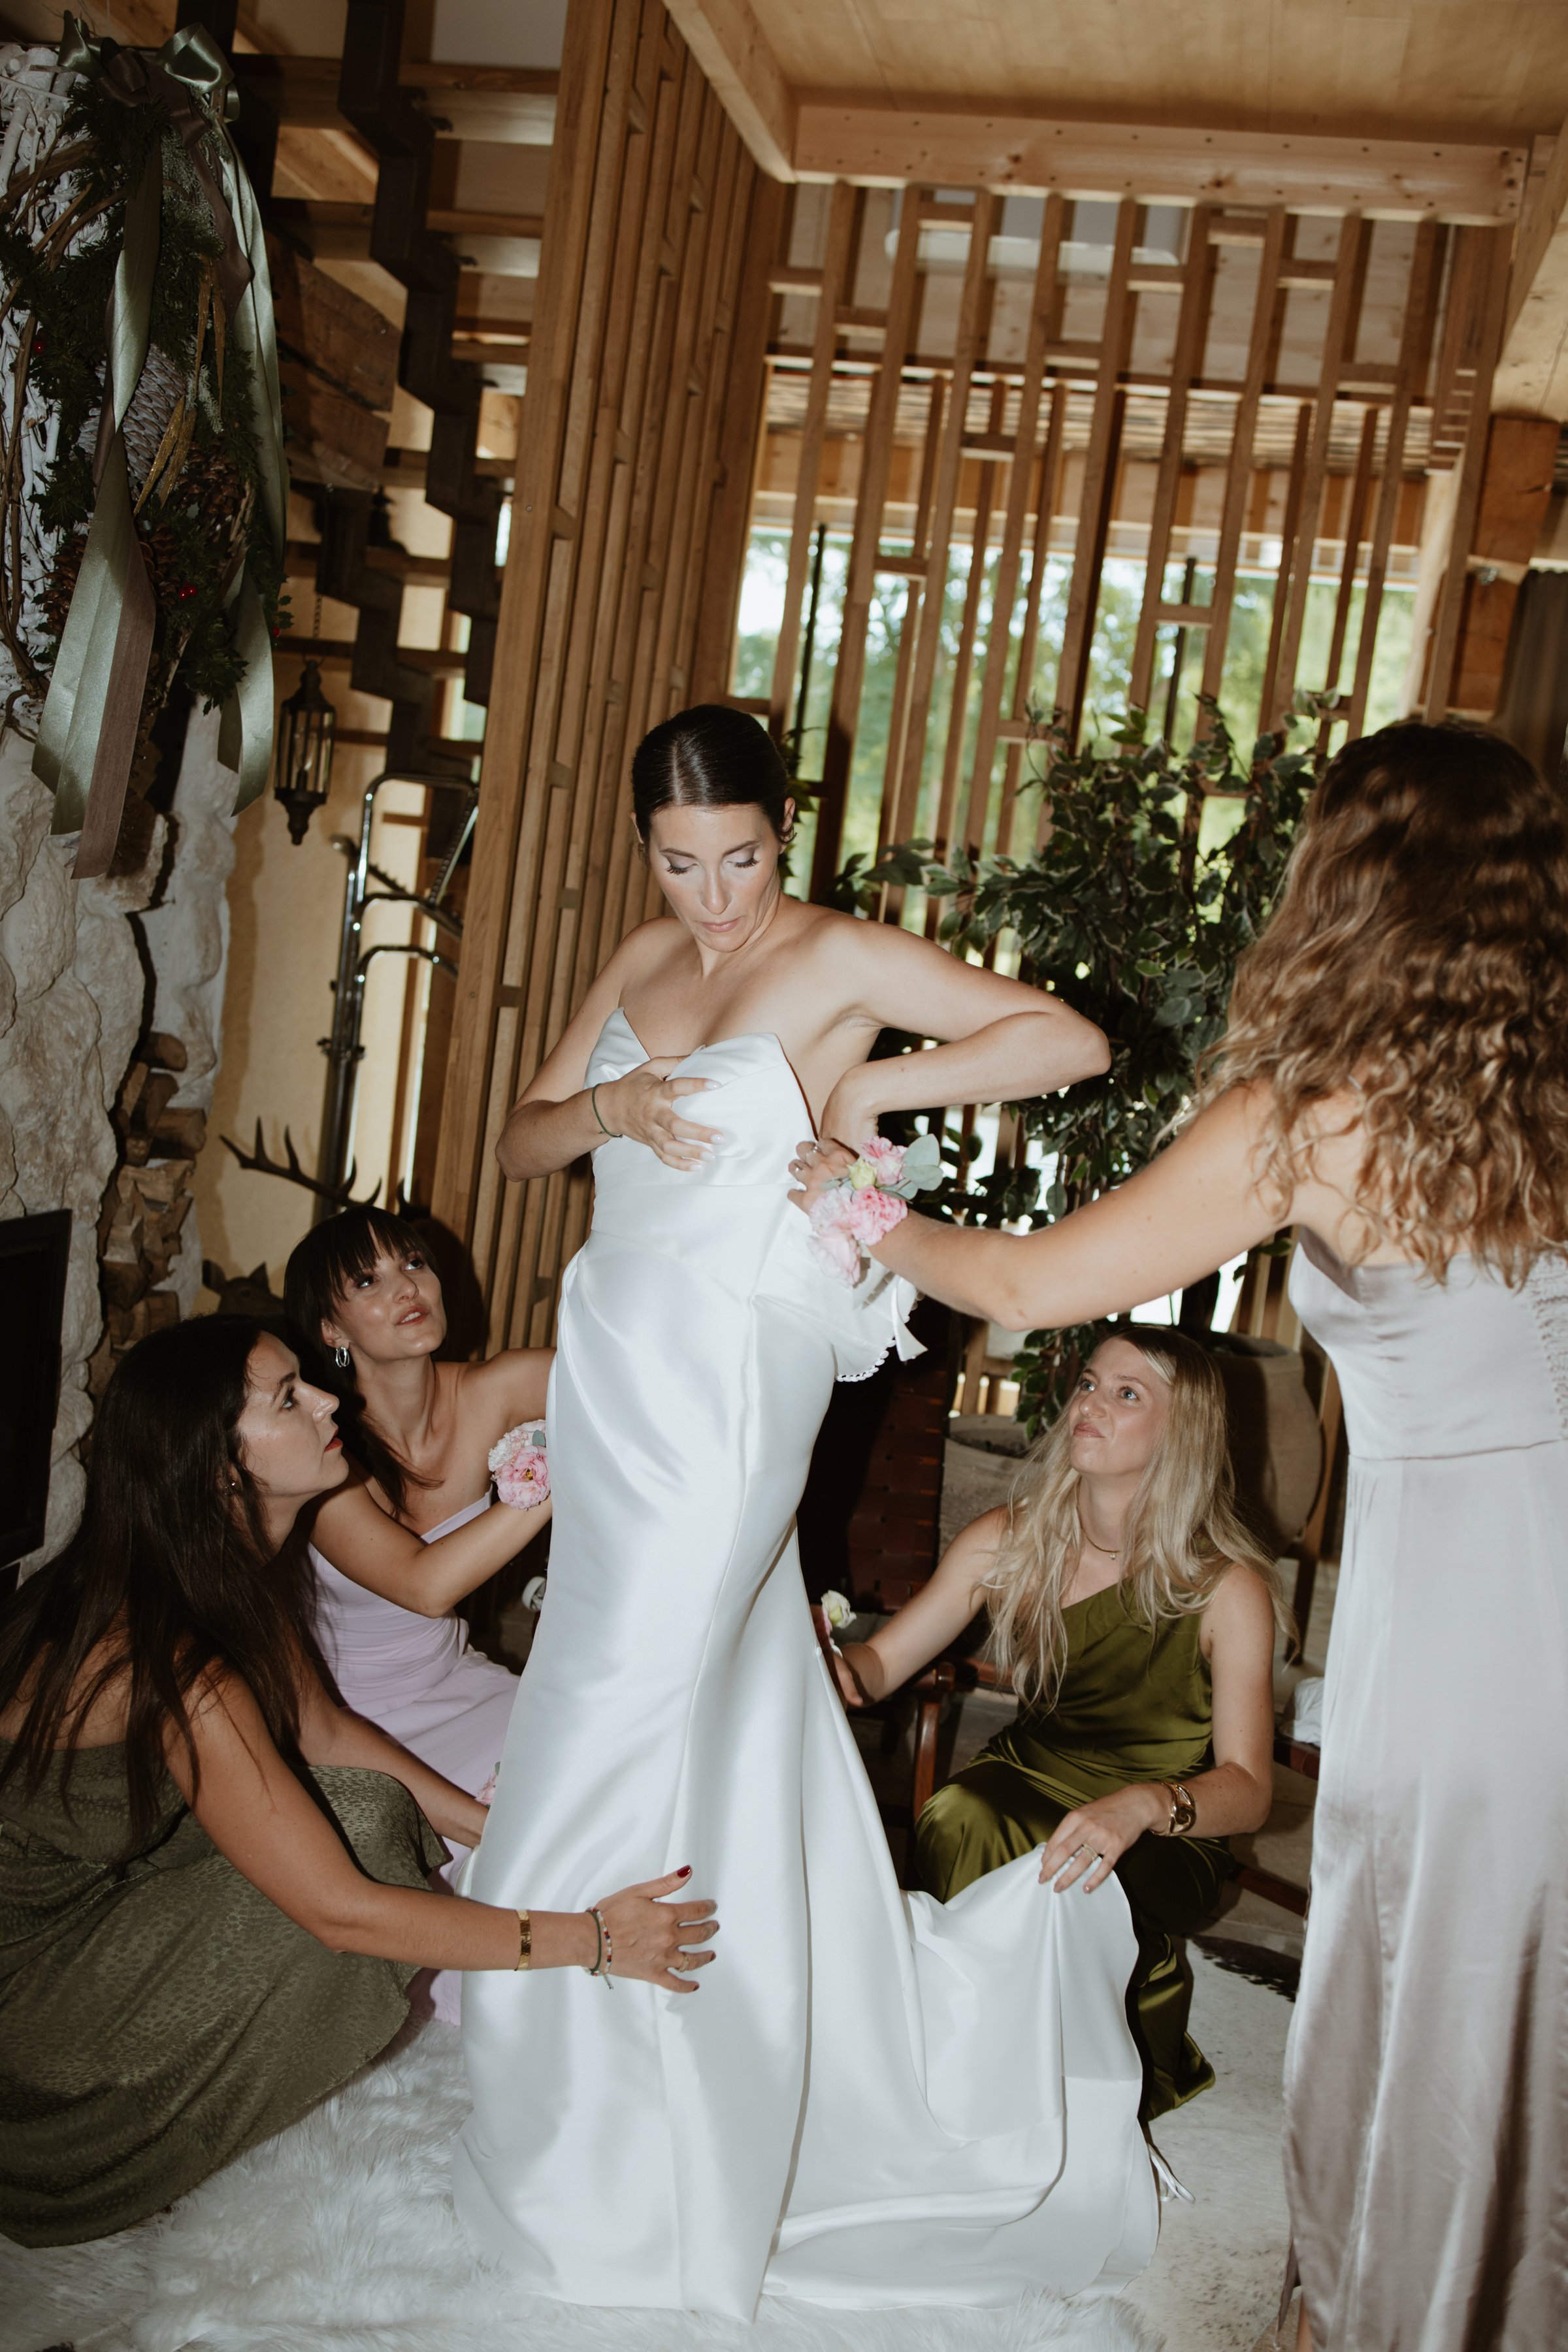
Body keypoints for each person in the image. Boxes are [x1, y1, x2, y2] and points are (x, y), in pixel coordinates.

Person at [791, 721, 1568, 2352]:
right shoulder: (1540, 1111)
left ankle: (1384, 2312)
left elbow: (1022, 1283)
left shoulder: (1316, 1115)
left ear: (1346, 883)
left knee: (1430, 1971)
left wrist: (853, 1206)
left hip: (1468, 1634)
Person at [459, 703, 1158, 2317]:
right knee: (644, 1687)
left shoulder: (836, 952)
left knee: (628, 1684)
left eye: (742, 860)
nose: (714, 898)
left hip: (731, 1373)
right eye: (680, 863)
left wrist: (873, 1082)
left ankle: (593, 2051)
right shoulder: (643, 957)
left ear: (787, 836)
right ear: (646, 852)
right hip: (613, 1352)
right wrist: (612, 1110)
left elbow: (1067, 1042)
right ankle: (647, 2041)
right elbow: (519, 1139)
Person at [0, 1318, 716, 2249]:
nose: (327, 1400)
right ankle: (103, 2145)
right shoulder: (175, 1656)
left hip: (106, 1888)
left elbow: (329, 1733)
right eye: (287, 1399)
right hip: (28, 2002)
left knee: (370, 1813)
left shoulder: (222, 1571)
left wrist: (496, 1828)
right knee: (352, 1868)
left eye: (306, 1380)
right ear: (220, 1469)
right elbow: (340, 1912)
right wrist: (593, 1940)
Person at [828, 1326, 1280, 2122]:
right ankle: (955, 2047)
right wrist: (822, 1657)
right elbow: (877, 1669)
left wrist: (1143, 1804)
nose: (1091, 1405)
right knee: (961, 1816)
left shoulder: (1225, 1588)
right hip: (1030, 1775)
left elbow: (1249, 1791)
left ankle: (1067, 2081)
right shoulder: (1011, 1537)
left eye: (1127, 1394)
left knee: (1074, 1874)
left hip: (1166, 1821)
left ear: (1183, 1430)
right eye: (1089, 1384)